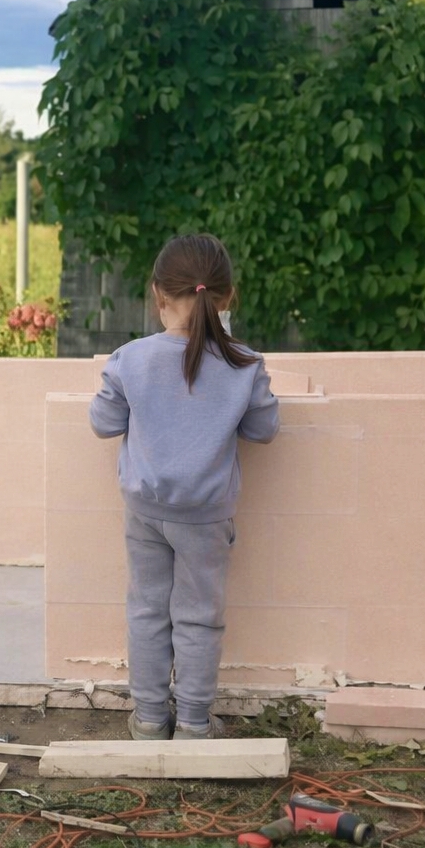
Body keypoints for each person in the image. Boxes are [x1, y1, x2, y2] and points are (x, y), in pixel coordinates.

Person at [88, 234, 279, 742]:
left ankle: (150, 718)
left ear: (159, 296)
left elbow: (103, 423)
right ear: (228, 297)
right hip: (206, 517)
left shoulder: (129, 358)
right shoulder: (245, 363)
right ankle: (194, 724)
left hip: (144, 510)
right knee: (198, 618)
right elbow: (263, 430)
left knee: (148, 609)